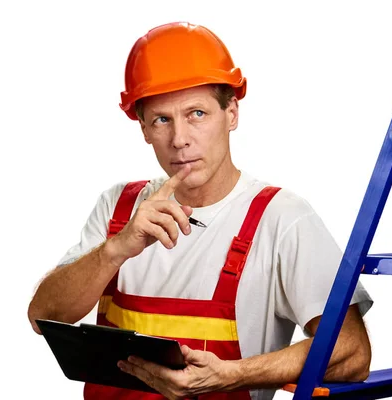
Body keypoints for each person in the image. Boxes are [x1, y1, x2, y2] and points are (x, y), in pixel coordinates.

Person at [27, 21, 373, 400]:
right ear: (143, 128)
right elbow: (43, 316)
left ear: (232, 114)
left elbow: (351, 351)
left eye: (197, 114)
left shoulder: (282, 219)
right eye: (162, 119)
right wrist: (115, 249)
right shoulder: (118, 206)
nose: (179, 139)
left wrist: (232, 375)